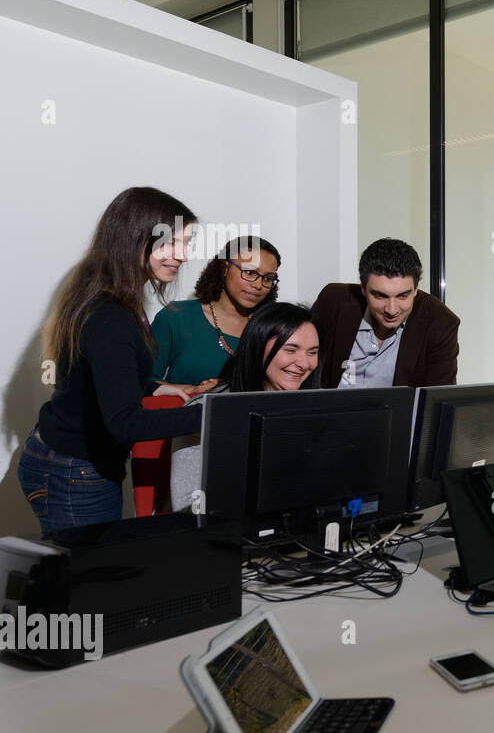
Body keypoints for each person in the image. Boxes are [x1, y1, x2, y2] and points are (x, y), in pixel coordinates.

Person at [20, 187, 214, 532]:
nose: (183, 256)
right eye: (171, 243)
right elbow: (125, 423)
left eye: (186, 244)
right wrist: (212, 416)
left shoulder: (112, 297)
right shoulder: (110, 317)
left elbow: (98, 374)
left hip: (68, 461)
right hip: (74, 473)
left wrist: (156, 388)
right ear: (135, 238)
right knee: (93, 568)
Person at [169, 303, 320, 512]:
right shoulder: (204, 411)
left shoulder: (318, 408)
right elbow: (189, 504)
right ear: (258, 347)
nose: (304, 363)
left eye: (312, 352)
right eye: (290, 350)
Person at [311, 238, 459, 389]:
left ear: (415, 290)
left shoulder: (440, 323)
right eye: (380, 296)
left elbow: (437, 399)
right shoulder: (333, 302)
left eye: (402, 296)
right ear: (363, 289)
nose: (391, 310)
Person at [151, 236, 281, 386]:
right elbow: (144, 381)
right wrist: (194, 391)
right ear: (225, 269)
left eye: (268, 278)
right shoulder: (176, 316)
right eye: (249, 272)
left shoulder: (272, 328)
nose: (259, 285)